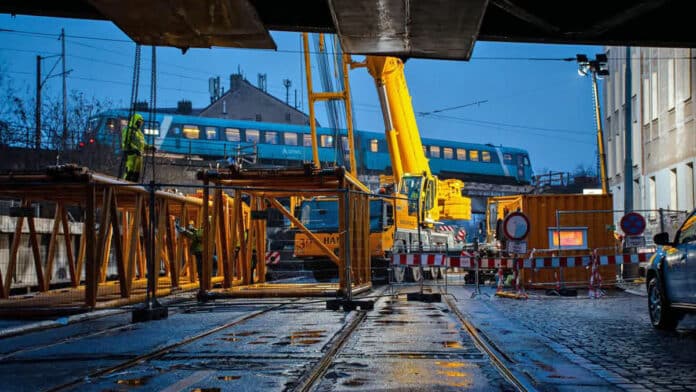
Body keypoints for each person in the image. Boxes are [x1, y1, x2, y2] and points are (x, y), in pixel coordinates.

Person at [121, 113, 154, 182]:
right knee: (129, 172)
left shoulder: (140, 133)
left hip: (139, 156)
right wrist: (135, 149)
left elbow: (143, 144)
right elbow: (126, 142)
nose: (140, 124)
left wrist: (150, 147)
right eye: (139, 122)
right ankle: (125, 186)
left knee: (136, 174)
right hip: (131, 155)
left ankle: (134, 187)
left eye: (141, 122)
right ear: (135, 121)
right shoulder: (128, 130)